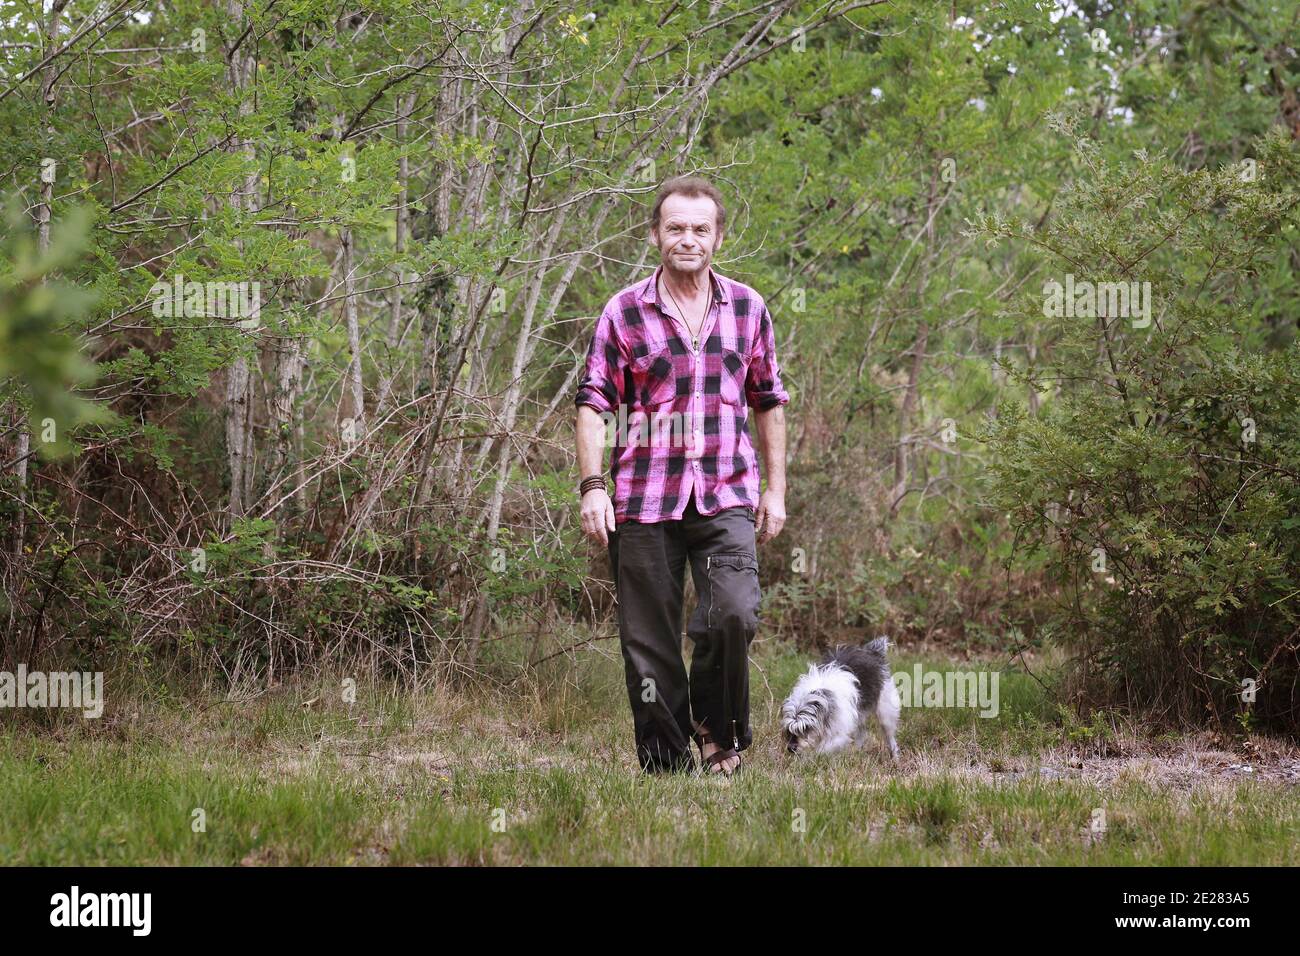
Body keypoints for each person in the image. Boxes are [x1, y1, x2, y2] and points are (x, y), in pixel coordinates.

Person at [574, 175, 790, 775]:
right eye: (675, 228)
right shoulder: (623, 311)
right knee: (649, 642)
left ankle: (717, 732)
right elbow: (593, 402)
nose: (687, 239)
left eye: (699, 228)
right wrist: (593, 488)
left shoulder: (749, 308)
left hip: (725, 491)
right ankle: (666, 763)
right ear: (655, 235)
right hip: (642, 497)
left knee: (733, 615)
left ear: (718, 236)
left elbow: (768, 400)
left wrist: (775, 489)